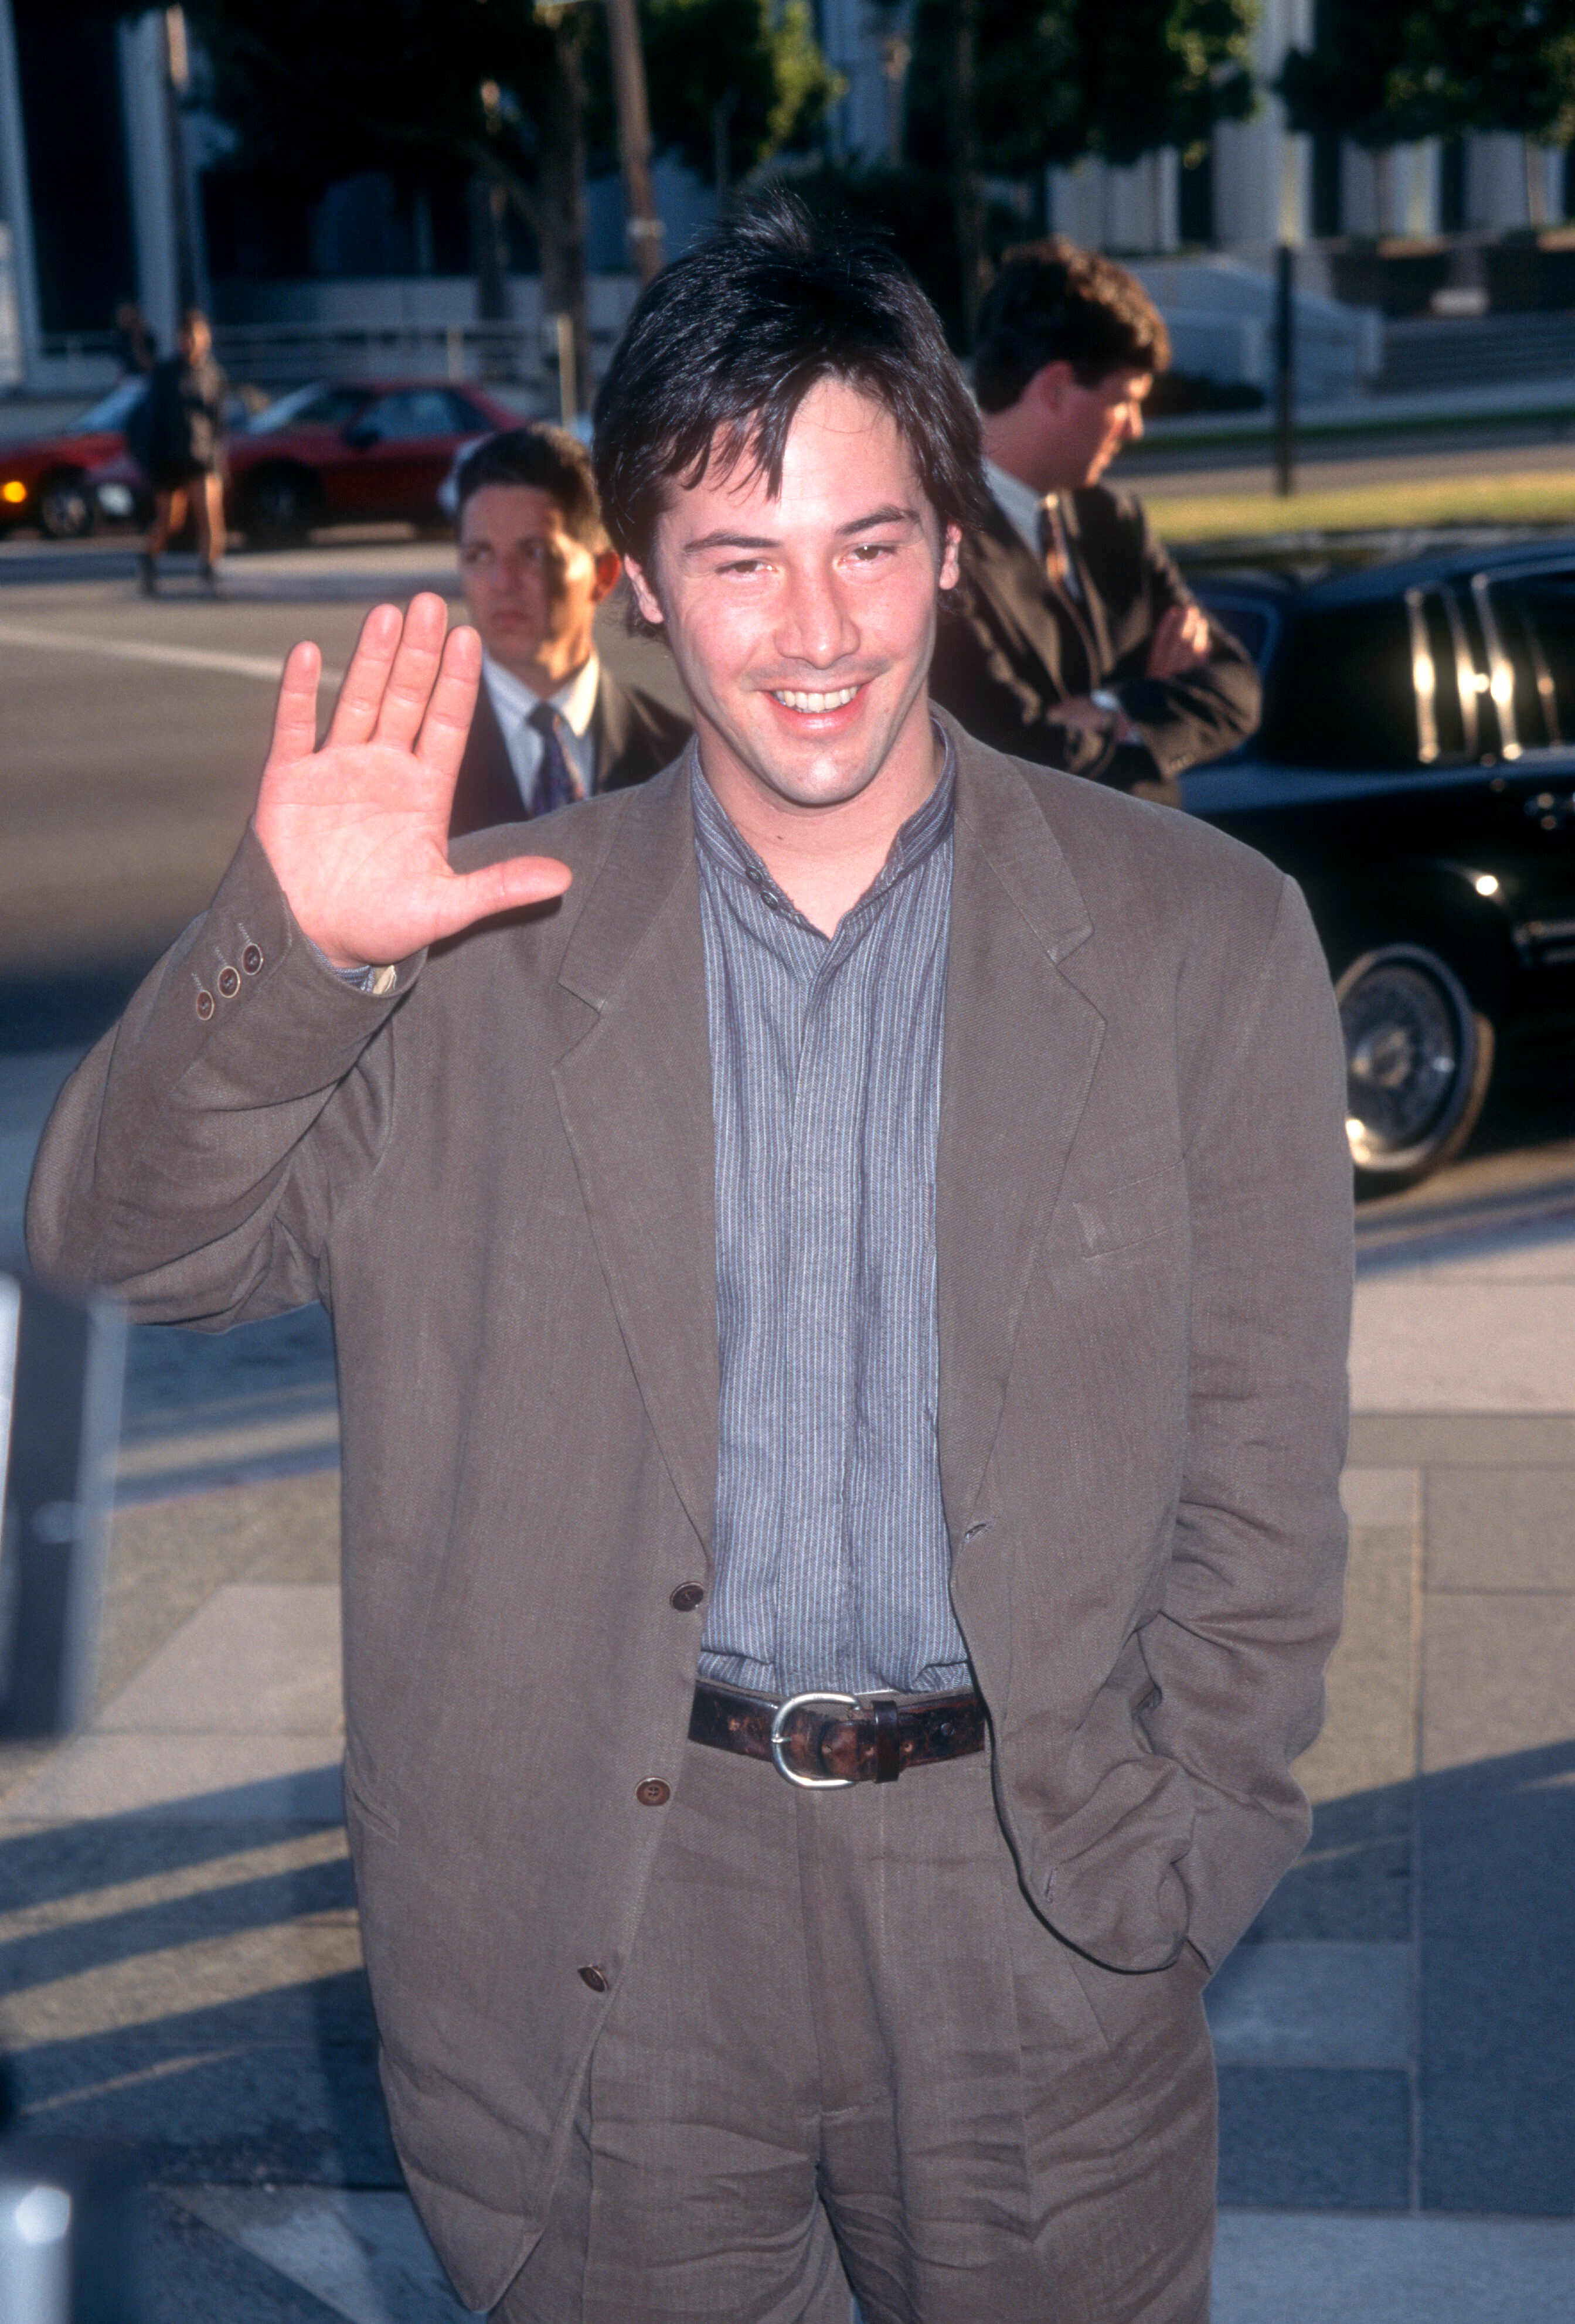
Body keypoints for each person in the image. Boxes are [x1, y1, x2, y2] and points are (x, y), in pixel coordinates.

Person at [28, 196, 1352, 2323]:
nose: (813, 631)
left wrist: (1177, 1847)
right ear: (642, 587)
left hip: (1036, 1900)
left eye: (863, 542)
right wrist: (296, 955)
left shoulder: (1200, 940)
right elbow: (118, 1241)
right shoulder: (477, 940)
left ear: (948, 542)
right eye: (739, 559)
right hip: (611, 1932)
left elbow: (1266, 1459)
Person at [929, 239, 1261, 803]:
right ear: (1056, 388)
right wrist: (1154, 706)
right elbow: (1008, 752)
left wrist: (1109, 711)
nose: (1134, 429)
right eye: (1124, 401)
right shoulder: (937, 543)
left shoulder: (1113, 521)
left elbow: (1236, 688)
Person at [448, 425, 689, 836]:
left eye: (534, 553)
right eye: (479, 554)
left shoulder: (684, 762)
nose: (502, 582)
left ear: (603, 574)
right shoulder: (403, 762)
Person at [138, 307, 227, 597]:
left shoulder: (213, 374)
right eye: (186, 336)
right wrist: (151, 462)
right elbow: (151, 419)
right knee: (170, 522)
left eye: (197, 336)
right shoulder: (165, 374)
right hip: (170, 459)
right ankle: (149, 560)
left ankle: (209, 570)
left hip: (202, 456)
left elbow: (217, 425)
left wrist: (219, 462)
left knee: (210, 515)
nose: (191, 342)